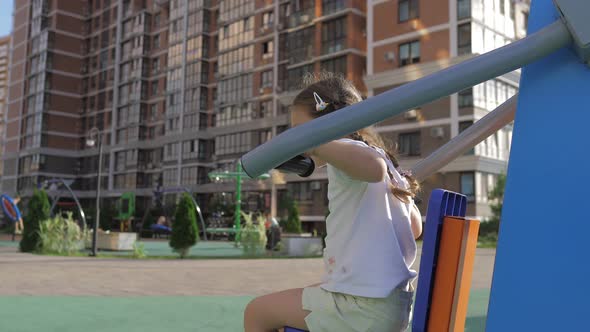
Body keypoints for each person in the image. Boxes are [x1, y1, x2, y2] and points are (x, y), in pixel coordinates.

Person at [244, 72, 423, 332]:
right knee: (298, 301)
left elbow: (373, 169)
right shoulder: (385, 165)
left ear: (328, 127)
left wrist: (315, 144)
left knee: (258, 312)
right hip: (387, 307)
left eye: (302, 131)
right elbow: (415, 228)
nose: (300, 143)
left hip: (363, 309)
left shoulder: (365, 161)